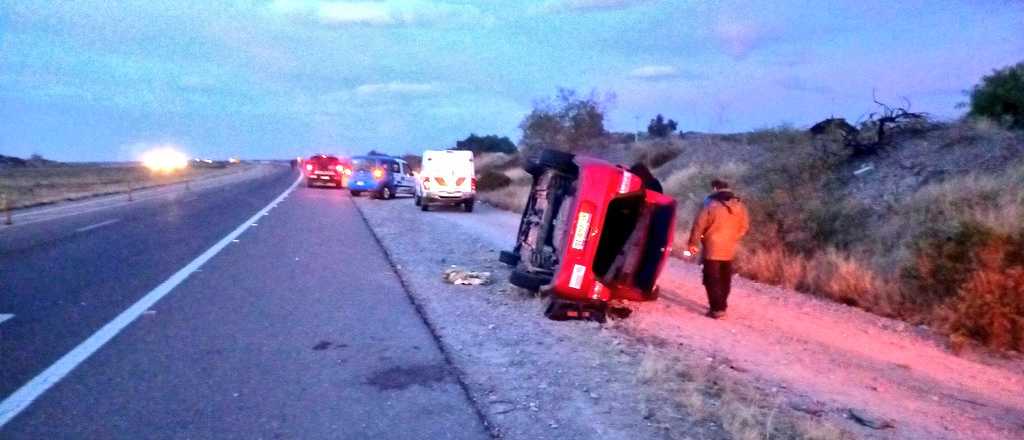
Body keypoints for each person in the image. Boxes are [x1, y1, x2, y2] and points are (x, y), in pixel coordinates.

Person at [687, 179, 749, 319]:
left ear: (715, 188)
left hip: (711, 247)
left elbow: (698, 226)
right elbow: (744, 227)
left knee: (711, 278)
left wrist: (693, 244)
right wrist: (733, 238)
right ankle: (722, 305)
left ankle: (717, 309)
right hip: (729, 248)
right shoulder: (740, 206)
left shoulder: (710, 205)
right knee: (725, 278)